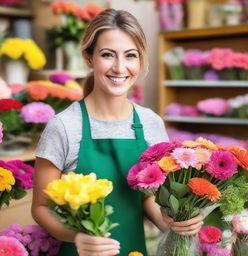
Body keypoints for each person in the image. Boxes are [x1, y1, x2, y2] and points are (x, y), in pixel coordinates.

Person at [31, 8, 203, 256]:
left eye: (130, 56)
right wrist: (76, 237)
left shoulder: (151, 123)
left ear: (140, 60)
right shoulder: (64, 126)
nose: (120, 67)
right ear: (89, 58)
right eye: (108, 55)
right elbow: (41, 207)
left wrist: (167, 221)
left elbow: (146, 198)